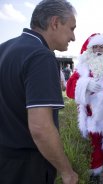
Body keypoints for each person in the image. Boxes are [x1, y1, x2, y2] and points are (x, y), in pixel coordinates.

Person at [0, 0, 78, 183]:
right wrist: (66, 171)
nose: (73, 37)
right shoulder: (41, 56)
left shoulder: (4, 49)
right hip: (27, 167)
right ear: (55, 23)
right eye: (72, 28)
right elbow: (41, 128)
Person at [66, 33, 103, 184]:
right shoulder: (82, 69)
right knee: (94, 151)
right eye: (94, 47)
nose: (98, 50)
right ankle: (94, 176)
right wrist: (85, 84)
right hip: (90, 119)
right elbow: (70, 90)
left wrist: (101, 98)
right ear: (89, 50)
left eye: (101, 47)